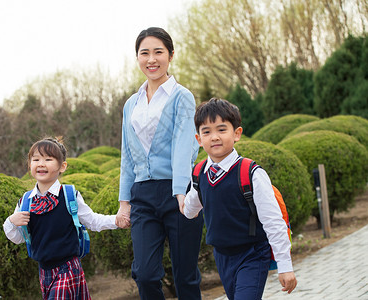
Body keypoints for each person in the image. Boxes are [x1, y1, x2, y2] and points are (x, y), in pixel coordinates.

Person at [115, 27, 204, 300]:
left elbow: (184, 145)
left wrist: (180, 191)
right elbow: (127, 154)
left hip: (177, 193)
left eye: (158, 52)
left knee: (185, 274)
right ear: (138, 58)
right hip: (142, 196)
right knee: (144, 273)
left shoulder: (182, 97)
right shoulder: (131, 104)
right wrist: (124, 201)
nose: (151, 59)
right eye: (145, 53)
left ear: (171, 55)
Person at [183, 98, 297, 300]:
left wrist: (285, 266)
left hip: (252, 253)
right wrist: (180, 198)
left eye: (221, 129)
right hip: (222, 256)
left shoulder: (250, 173)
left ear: (237, 134)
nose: (214, 137)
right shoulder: (199, 174)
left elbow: (273, 222)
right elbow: (191, 210)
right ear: (198, 139)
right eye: (206, 132)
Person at [3, 137, 122, 300]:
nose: (41, 163)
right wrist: (11, 222)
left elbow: (93, 221)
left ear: (62, 166)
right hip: (44, 271)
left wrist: (117, 220)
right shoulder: (25, 201)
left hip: (68, 268)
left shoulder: (69, 196)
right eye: (36, 159)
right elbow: (18, 238)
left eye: (48, 159)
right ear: (29, 165)